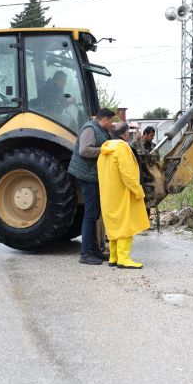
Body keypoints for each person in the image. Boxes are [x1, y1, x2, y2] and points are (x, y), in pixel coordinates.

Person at [97, 122, 149, 269]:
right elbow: (128, 174)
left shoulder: (104, 149)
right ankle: (124, 258)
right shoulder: (122, 148)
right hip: (123, 193)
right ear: (125, 133)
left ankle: (113, 257)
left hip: (108, 194)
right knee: (126, 225)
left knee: (114, 225)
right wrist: (138, 191)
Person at [68, 109, 114, 265]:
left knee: (94, 213)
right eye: (111, 121)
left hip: (92, 176)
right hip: (86, 176)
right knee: (90, 213)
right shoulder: (90, 128)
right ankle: (85, 254)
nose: (112, 124)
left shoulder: (99, 129)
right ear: (105, 119)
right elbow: (84, 150)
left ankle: (94, 250)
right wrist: (103, 151)